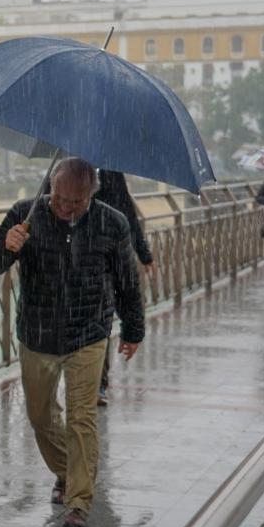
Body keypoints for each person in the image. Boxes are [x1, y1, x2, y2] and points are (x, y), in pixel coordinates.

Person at [0, 157, 144, 527]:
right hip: (37, 332)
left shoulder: (112, 223)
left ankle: (78, 501)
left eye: (76, 202)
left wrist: (133, 329)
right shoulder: (27, 212)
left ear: (92, 194)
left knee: (81, 417)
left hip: (88, 332)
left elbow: (126, 281)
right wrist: (6, 246)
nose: (66, 207)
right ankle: (67, 470)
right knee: (40, 416)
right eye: (60, 198)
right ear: (51, 187)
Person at [93, 170, 156, 406]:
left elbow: (127, 215)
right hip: (67, 262)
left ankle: (97, 383)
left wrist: (144, 253)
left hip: (104, 259)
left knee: (99, 322)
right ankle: (88, 381)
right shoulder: (63, 169)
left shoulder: (110, 173)